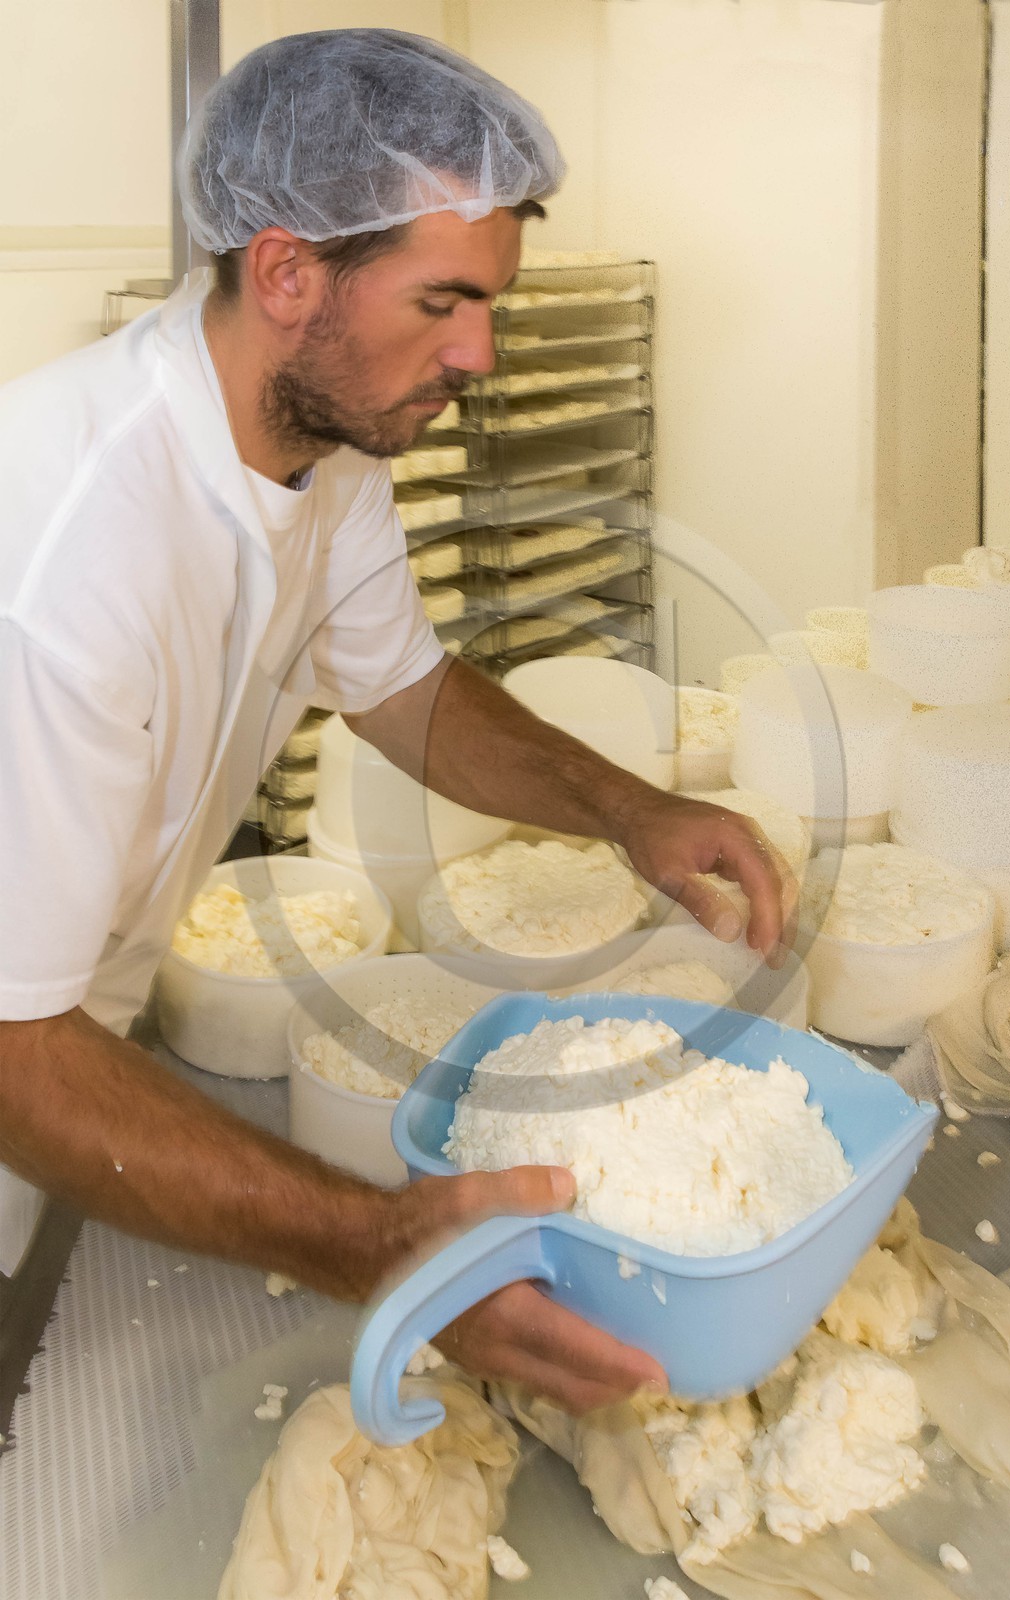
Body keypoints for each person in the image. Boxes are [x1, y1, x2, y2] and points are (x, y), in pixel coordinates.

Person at [0, 30, 792, 1415]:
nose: (479, 353)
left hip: (59, 1048)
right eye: (441, 302)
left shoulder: (327, 452)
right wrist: (381, 1246)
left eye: (491, 303)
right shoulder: (64, 554)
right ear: (287, 272)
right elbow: (13, 1057)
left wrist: (630, 811)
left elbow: (406, 694)